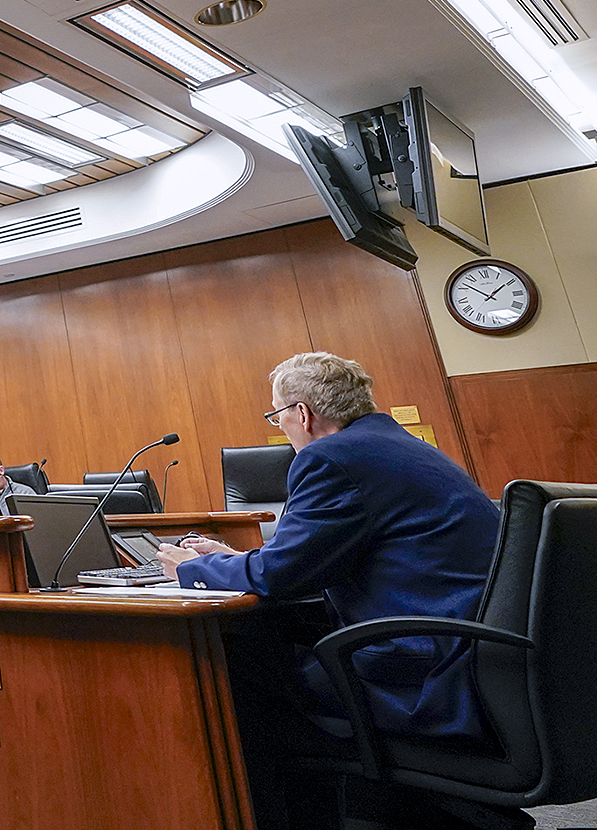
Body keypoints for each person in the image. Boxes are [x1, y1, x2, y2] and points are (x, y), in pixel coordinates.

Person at [157, 352, 501, 830]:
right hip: (475, 651)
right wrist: (234, 561)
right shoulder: (403, 446)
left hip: (422, 669)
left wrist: (196, 569)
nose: (282, 427)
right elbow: (315, 556)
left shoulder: (331, 456)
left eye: (277, 415)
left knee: (226, 674)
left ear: (302, 414)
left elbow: (280, 575)